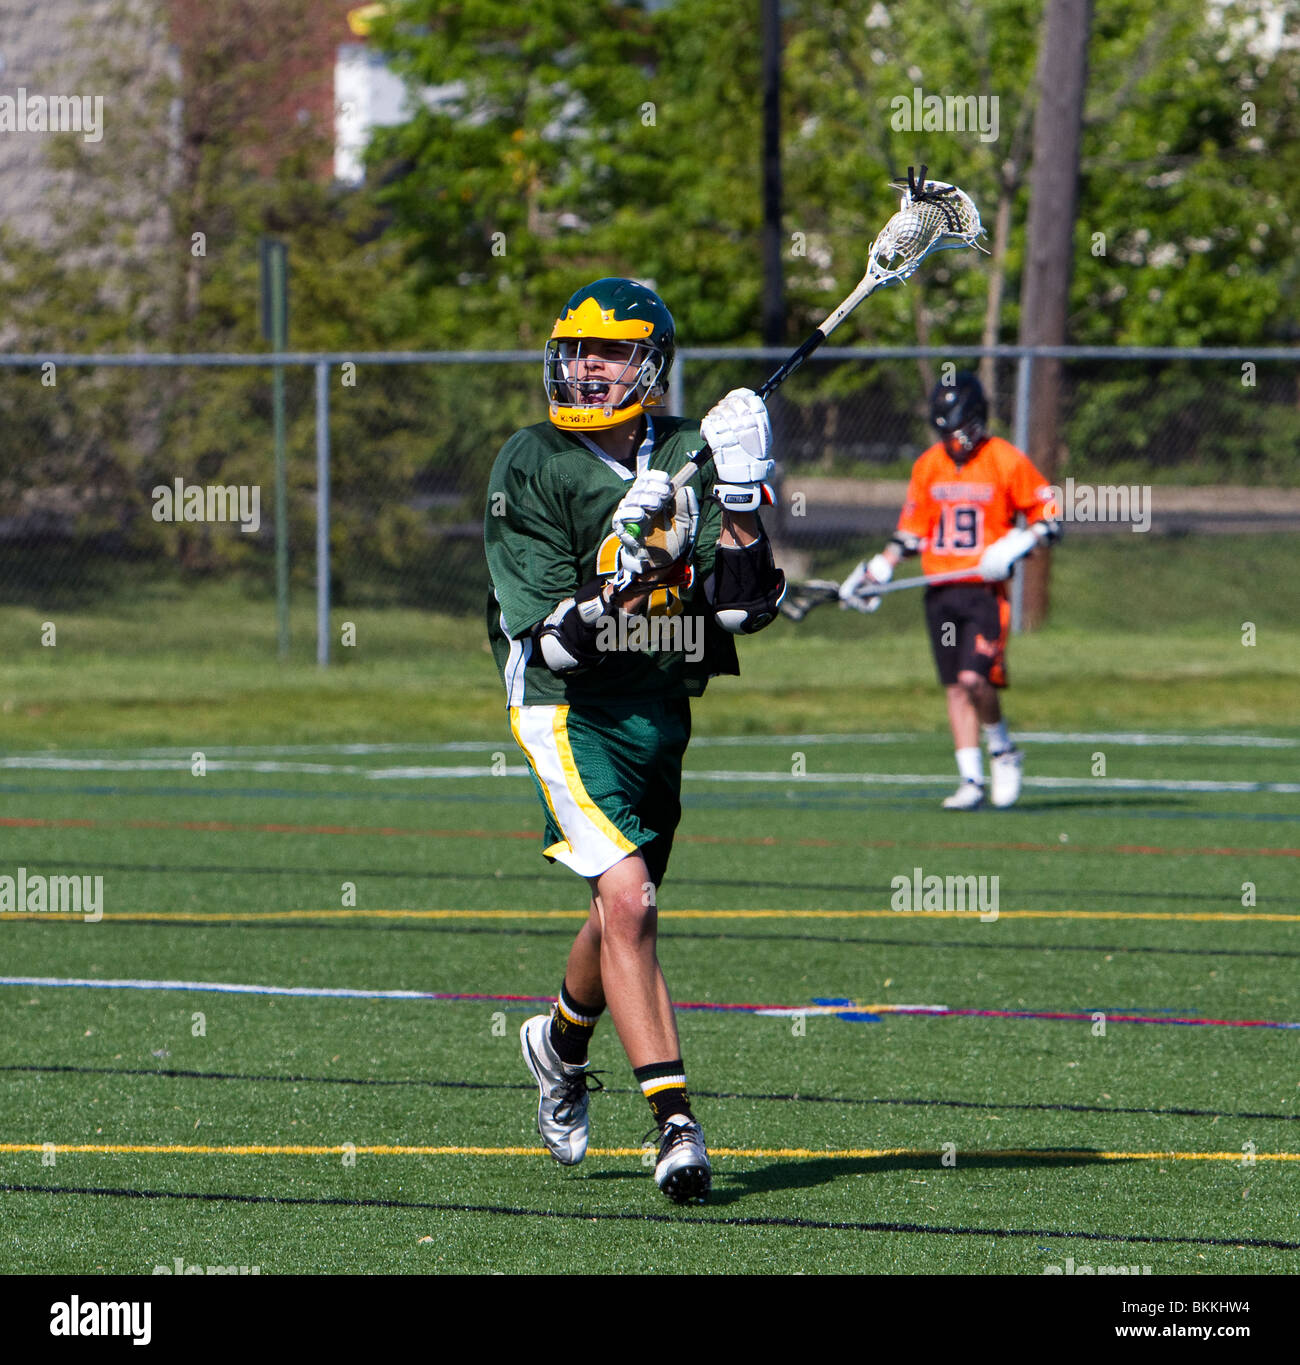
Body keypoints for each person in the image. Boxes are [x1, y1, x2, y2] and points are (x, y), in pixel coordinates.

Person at [483, 277, 786, 1203]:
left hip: (660, 699)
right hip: (567, 709)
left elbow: (743, 605)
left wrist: (735, 495)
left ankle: (560, 1044)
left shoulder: (689, 448)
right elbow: (559, 645)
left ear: (649, 365)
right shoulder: (530, 462)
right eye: (575, 348)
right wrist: (628, 564)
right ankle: (677, 1127)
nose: (584, 365)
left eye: (607, 352)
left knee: (620, 911)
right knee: (632, 897)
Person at [840, 372, 1061, 810]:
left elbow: (1050, 513)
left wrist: (1020, 541)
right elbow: (912, 531)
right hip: (940, 589)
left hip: (983, 589)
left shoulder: (1004, 459)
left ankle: (1002, 750)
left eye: (960, 429)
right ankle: (971, 780)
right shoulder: (928, 465)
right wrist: (881, 567)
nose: (955, 440)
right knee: (955, 687)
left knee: (975, 679)